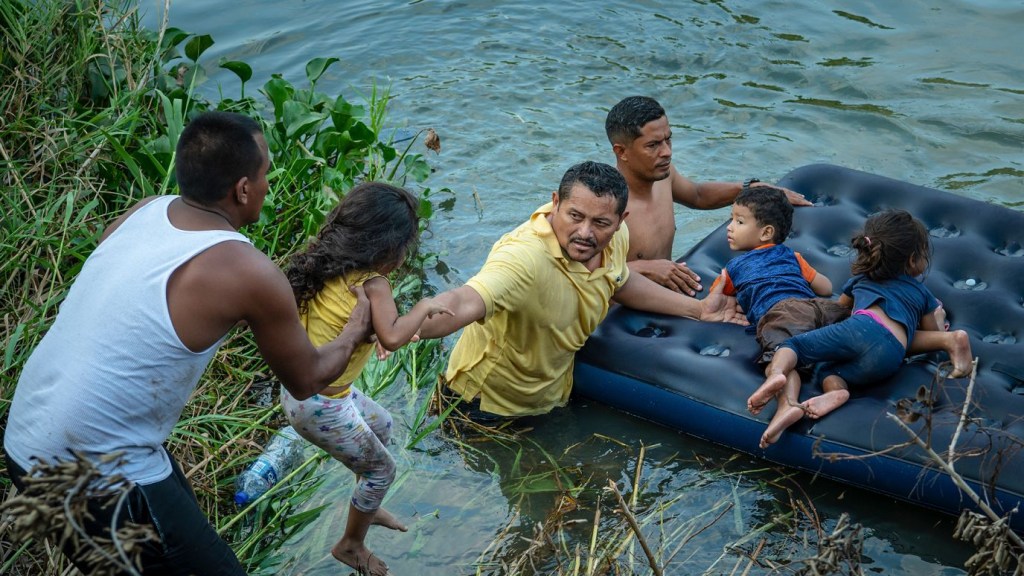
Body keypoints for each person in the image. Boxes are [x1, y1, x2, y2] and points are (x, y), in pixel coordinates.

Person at [3, 111, 374, 575]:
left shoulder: (145, 211)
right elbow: (307, 379)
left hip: (26, 441)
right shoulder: (247, 270)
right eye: (264, 176)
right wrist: (356, 328)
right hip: (91, 474)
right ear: (242, 189)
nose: (265, 185)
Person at [416, 160, 747, 421]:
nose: (585, 233)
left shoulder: (616, 238)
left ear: (621, 219)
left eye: (601, 223)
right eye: (575, 216)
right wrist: (414, 325)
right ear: (555, 202)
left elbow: (619, 281)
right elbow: (464, 300)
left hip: (552, 396)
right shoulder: (523, 258)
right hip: (482, 407)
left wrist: (698, 310)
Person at [282, 182, 452, 576]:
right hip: (321, 405)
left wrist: (371, 333)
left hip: (304, 392)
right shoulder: (375, 284)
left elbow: (348, 324)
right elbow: (393, 334)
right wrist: (425, 306)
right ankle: (350, 545)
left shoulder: (323, 265)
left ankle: (366, 505)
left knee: (383, 424)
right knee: (383, 469)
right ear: (389, 249)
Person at [747, 209, 975, 448]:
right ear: (912, 260)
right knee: (831, 372)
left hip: (860, 329)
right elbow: (929, 330)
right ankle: (952, 340)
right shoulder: (922, 293)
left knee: (792, 346)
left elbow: (838, 311)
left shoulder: (860, 280)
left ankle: (777, 376)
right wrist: (939, 321)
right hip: (892, 355)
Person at [604, 95, 813, 295]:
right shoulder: (605, 205)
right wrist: (643, 267)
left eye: (668, 140)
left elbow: (697, 195)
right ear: (621, 152)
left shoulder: (663, 177)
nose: (667, 152)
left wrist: (751, 188)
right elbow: (585, 274)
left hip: (666, 292)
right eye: (653, 145)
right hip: (617, 315)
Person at [711, 184, 851, 443]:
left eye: (739, 221)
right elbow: (826, 287)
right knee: (832, 352)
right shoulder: (792, 256)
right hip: (819, 309)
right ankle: (836, 389)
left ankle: (786, 400)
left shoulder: (733, 268)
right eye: (731, 219)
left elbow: (717, 297)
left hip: (781, 315)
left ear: (766, 232)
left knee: (782, 356)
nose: (729, 227)